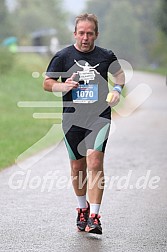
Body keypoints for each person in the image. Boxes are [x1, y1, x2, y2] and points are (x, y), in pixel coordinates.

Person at [43, 13, 125, 235]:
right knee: (77, 167)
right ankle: (82, 209)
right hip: (72, 119)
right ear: (75, 33)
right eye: (81, 33)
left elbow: (119, 76)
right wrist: (62, 86)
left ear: (96, 34)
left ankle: (95, 217)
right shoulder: (63, 56)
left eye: (90, 33)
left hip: (99, 117)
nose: (85, 37)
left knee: (94, 162)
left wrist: (117, 90)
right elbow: (47, 82)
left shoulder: (106, 56)